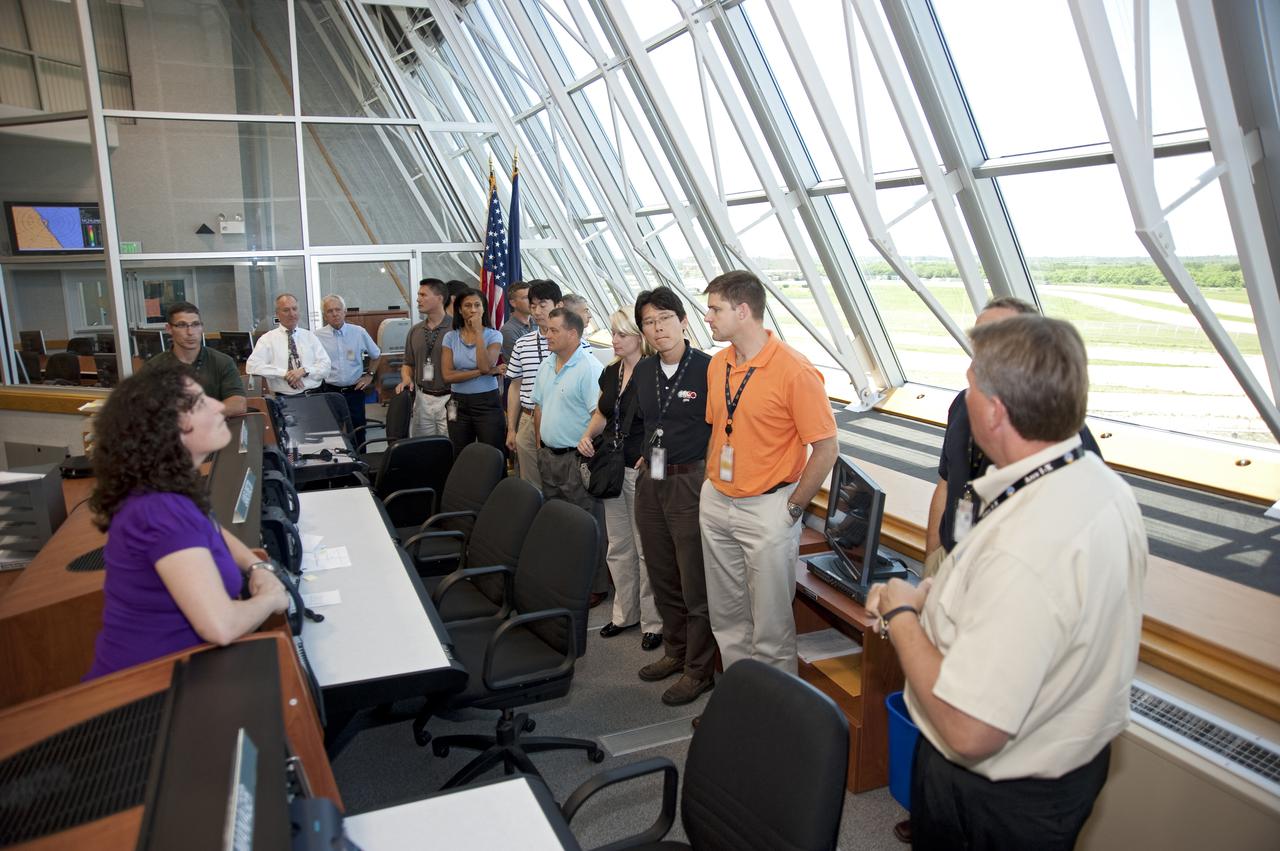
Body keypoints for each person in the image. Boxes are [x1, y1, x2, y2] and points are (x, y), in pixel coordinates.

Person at [867, 315, 1147, 850]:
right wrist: (937, 601)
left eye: (970, 382)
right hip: (1061, 773)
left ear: (995, 410)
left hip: (992, 795)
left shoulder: (1027, 544)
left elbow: (970, 731)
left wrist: (903, 614)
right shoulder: (1097, 485)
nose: (963, 392)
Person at [85, 363, 289, 680]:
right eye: (200, 403)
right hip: (149, 697)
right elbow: (220, 626)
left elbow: (212, 528)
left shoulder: (165, 492)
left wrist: (255, 566)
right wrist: (271, 598)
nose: (219, 405)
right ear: (167, 429)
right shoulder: (161, 511)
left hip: (181, 677)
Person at [700, 271, 839, 675]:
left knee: (772, 629)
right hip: (717, 500)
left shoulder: (794, 370)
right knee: (727, 619)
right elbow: (720, 430)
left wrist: (792, 510)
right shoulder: (718, 364)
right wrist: (713, 487)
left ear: (743, 311)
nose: (707, 317)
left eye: (715, 309)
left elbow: (827, 448)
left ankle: (773, 727)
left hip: (768, 509)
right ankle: (740, 704)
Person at [925, 296, 1102, 577]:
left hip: (1000, 571)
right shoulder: (963, 404)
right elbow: (946, 484)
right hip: (952, 559)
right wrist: (933, 556)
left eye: (1000, 337)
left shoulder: (1060, 432)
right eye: (980, 337)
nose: (985, 347)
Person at [631, 287, 718, 706]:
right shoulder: (644, 371)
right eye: (649, 322)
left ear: (684, 321)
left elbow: (722, 430)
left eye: (665, 318)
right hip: (654, 480)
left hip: (691, 483)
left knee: (693, 578)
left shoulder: (709, 368)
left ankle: (699, 670)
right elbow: (647, 424)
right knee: (662, 573)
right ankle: (675, 651)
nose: (658, 327)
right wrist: (646, 459)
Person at [578, 309, 663, 648]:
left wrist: (651, 452)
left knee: (646, 547)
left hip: (641, 469)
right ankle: (624, 613)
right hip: (612, 466)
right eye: (612, 333)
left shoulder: (655, 374)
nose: (613, 340)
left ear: (639, 338)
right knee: (619, 544)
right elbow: (602, 411)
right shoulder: (611, 373)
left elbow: (665, 420)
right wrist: (587, 434)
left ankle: (653, 622)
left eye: (621, 334)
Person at [532, 307, 610, 606]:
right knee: (559, 523)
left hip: (576, 461)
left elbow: (599, 414)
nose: (546, 335)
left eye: (553, 330)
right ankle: (566, 579)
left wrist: (585, 444)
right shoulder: (547, 364)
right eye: (546, 330)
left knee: (586, 524)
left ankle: (594, 585)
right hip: (549, 457)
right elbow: (537, 407)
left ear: (573, 334)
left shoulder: (589, 368)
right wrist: (540, 446)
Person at [505, 279, 563, 489]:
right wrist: (511, 428)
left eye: (543, 305)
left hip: (561, 420)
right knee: (530, 484)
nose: (537, 311)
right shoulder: (522, 343)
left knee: (560, 482)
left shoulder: (576, 343)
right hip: (528, 419)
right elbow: (515, 386)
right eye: (533, 305)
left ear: (559, 305)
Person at [143, 301, 246, 416]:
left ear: (202, 327)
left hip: (213, 429)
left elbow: (238, 404)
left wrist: (200, 415)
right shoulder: (154, 368)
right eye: (182, 325)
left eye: (195, 324)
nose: (190, 332)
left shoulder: (222, 362)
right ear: (169, 329)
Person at [441, 288, 505, 456]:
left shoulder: (494, 335)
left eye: (478, 305)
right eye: (468, 305)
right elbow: (447, 376)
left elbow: (484, 365)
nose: (473, 310)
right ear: (460, 310)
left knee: (493, 453)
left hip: (486, 403)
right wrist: (485, 372)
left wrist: (478, 332)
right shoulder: (450, 337)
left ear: (484, 308)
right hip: (457, 403)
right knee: (460, 452)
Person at [315, 294, 380, 432]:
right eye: (330, 311)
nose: (335, 314)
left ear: (344, 312)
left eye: (338, 310)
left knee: (358, 431)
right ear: (325, 316)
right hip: (329, 391)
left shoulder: (358, 332)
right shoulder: (316, 336)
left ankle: (360, 455)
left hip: (354, 390)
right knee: (333, 431)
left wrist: (370, 375)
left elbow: (376, 355)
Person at [397, 278, 452, 437]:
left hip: (451, 399)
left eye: (423, 295)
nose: (418, 299)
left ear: (440, 298)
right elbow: (408, 363)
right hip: (422, 399)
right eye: (418, 295)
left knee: (451, 448)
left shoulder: (456, 329)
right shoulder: (415, 331)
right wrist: (406, 378)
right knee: (423, 448)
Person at [246, 293, 330, 396]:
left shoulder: (310, 336)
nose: (292, 313)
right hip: (285, 399)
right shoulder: (267, 339)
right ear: (277, 314)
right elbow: (252, 366)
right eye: (286, 310)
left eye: (294, 309)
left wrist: (304, 371)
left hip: (314, 395)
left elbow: (326, 366)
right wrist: (284, 374)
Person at [499, 281, 534, 366]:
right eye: (526, 298)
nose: (531, 301)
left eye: (531, 297)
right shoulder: (508, 330)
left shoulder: (538, 323)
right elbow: (520, 363)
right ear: (513, 303)